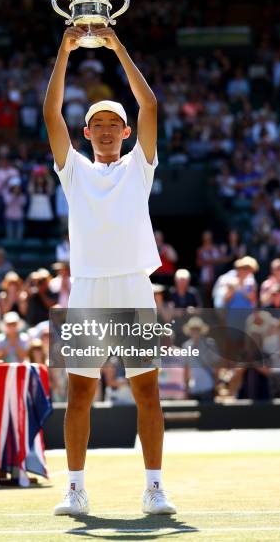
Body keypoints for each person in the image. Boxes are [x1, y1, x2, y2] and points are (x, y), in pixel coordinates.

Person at [44, 26, 176, 515]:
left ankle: (155, 488)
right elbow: (50, 113)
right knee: (79, 392)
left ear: (125, 132)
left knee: (148, 391)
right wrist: (65, 50)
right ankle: (75, 488)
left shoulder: (140, 165)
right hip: (87, 289)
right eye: (95, 123)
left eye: (112, 124)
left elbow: (151, 107)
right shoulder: (73, 169)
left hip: (133, 285)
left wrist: (117, 46)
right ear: (86, 132)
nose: (103, 129)